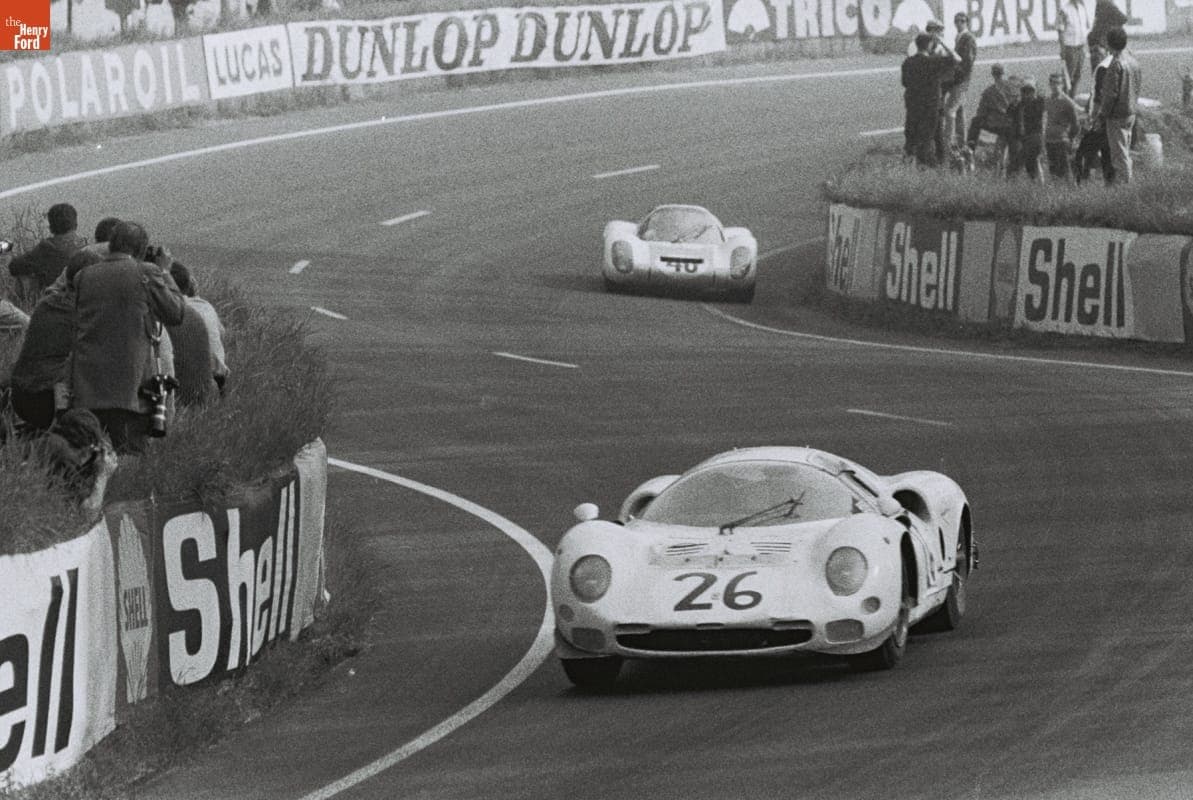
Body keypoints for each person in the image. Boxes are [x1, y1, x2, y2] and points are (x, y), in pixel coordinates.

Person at [69, 221, 185, 454]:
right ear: (141, 249)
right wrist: (164, 270)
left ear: (111, 245)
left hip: (87, 384)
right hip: (128, 387)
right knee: (130, 450)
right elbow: (176, 313)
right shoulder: (147, 272)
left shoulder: (84, 277)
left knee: (93, 452)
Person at [167, 261, 229, 405]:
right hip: (217, 380)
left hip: (193, 386)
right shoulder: (205, 306)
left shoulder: (171, 312)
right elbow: (222, 334)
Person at [902, 32, 961, 167]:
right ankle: (930, 166)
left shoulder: (908, 62)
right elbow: (957, 59)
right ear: (929, 45)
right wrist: (942, 43)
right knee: (928, 138)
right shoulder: (933, 61)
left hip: (913, 105)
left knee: (911, 138)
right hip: (930, 105)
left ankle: (909, 165)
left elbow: (905, 82)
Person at [6, 203, 86, 294]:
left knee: (23, 277)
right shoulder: (86, 247)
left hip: (54, 297)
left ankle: (25, 304)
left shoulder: (46, 248)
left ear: (51, 228)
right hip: (82, 297)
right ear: (76, 225)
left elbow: (14, 267)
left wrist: (10, 256)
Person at [1097, 26, 1141, 184]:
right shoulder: (1133, 61)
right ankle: (1127, 182)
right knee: (1125, 151)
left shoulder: (1115, 64)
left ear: (1110, 44)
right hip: (1131, 112)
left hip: (1116, 115)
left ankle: (1125, 187)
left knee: (1119, 155)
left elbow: (1110, 95)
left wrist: (1103, 114)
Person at [1074, 43, 1116, 184]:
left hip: (1101, 121)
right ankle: (1108, 183)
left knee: (1083, 152)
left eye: (1097, 54)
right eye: (1092, 54)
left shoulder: (1103, 70)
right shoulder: (1105, 68)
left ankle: (1082, 181)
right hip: (1105, 120)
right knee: (1104, 153)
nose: (1094, 57)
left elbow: (1100, 97)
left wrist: (1095, 119)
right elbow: (1095, 96)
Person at [966, 64, 1017, 169]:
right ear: (1005, 73)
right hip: (1013, 125)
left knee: (975, 122)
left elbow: (981, 113)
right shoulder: (1015, 89)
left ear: (993, 74)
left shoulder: (988, 91)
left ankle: (969, 152)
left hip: (997, 125)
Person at [941, 12, 978, 153]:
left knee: (950, 111)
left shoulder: (968, 38)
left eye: (962, 21)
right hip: (959, 79)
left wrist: (956, 71)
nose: (959, 23)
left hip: (961, 80)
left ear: (966, 22)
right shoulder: (960, 37)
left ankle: (947, 144)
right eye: (957, 21)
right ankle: (962, 142)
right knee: (960, 111)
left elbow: (967, 62)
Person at [1006, 79, 1047, 181]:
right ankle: (1037, 184)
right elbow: (1009, 116)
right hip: (1024, 138)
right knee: (1031, 163)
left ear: (1034, 92)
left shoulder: (1038, 103)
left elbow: (1043, 106)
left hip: (1035, 138)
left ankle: (1010, 182)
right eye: (1025, 92)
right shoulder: (1019, 105)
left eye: (1030, 92)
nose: (1027, 94)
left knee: (1017, 165)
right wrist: (1013, 104)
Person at [1044, 72, 1082, 179]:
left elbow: (1076, 124)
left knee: (1065, 171)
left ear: (1062, 85)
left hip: (1061, 141)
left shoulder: (1067, 103)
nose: (1055, 86)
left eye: (1058, 83)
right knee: (1053, 172)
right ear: (1050, 84)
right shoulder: (1047, 101)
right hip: (1049, 140)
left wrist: (1069, 138)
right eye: (1053, 83)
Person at [1056, 0, 1093, 96]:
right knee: (1068, 77)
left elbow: (1086, 26)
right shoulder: (1064, 10)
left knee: (1077, 76)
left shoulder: (1082, 8)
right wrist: (1062, 49)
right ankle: (1064, 100)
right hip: (1070, 47)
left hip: (1081, 46)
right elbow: (1060, 30)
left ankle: (1072, 97)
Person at [1087, 0, 1128, 74]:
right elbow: (1124, 19)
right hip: (1102, 43)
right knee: (1104, 72)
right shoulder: (1107, 4)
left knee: (1098, 73)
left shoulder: (1100, 4)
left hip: (1096, 42)